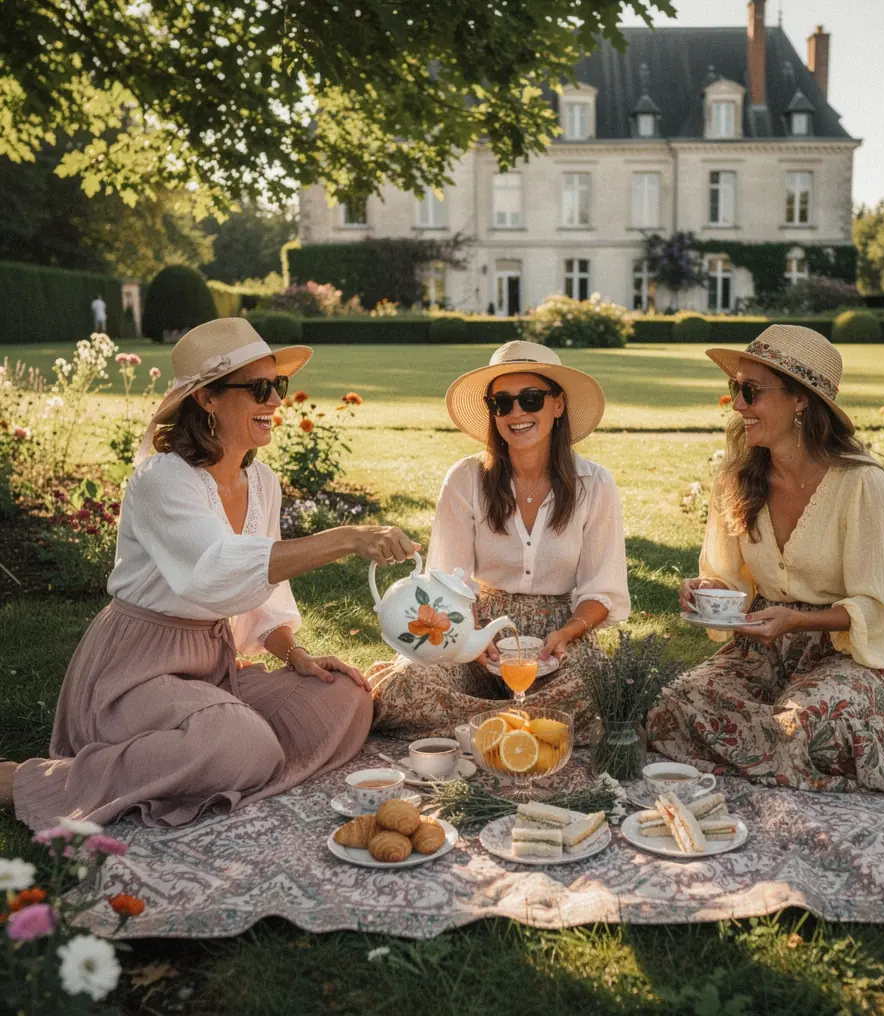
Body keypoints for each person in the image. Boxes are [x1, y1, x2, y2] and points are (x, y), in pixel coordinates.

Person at [1, 318, 419, 829]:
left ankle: (216, 757)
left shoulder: (262, 481)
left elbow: (262, 592)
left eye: (278, 386)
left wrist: (295, 653)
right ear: (207, 399)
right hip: (135, 670)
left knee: (344, 697)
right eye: (259, 388)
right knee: (243, 744)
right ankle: (28, 779)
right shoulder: (162, 479)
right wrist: (346, 538)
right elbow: (215, 571)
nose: (274, 402)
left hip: (212, 664)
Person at [648, 324, 884, 796]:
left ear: (801, 399)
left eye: (751, 391)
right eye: (734, 389)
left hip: (850, 651)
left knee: (800, 725)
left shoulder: (861, 484)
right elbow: (728, 582)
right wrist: (704, 591)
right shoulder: (736, 478)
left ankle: (790, 742)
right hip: (764, 646)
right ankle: (772, 750)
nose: (738, 404)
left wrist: (796, 621)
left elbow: (878, 606)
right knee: (672, 705)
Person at [368, 341, 630, 739]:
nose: (517, 413)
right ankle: (528, 729)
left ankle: (483, 728)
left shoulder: (595, 484)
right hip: (475, 627)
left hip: (558, 635)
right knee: (405, 688)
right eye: (502, 403)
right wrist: (472, 637)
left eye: (531, 399)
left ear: (558, 404)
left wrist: (566, 634)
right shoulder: (466, 478)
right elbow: (447, 579)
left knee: (598, 694)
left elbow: (602, 589)